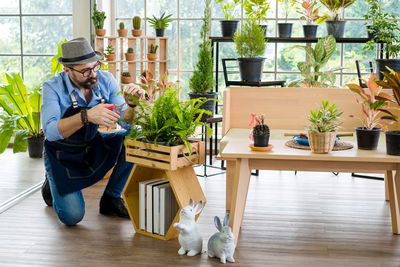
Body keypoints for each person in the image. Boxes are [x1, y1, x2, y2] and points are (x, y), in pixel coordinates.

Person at [41, 37, 144, 226]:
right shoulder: (52, 88)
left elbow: (126, 122)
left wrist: (132, 105)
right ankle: (52, 180)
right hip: (60, 154)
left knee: (134, 138)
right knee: (72, 217)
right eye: (85, 71)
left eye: (95, 66)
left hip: (91, 144)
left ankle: (111, 198)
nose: (93, 74)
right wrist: (86, 116)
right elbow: (50, 132)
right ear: (67, 69)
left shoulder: (106, 79)